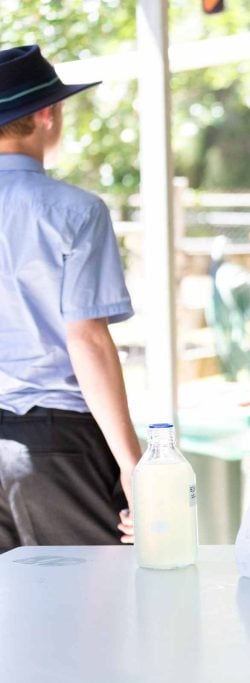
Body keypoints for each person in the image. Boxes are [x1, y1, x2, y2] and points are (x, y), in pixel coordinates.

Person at [0, 45, 139, 551]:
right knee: (93, 615)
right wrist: (133, 466)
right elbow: (87, 340)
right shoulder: (76, 212)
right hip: (57, 447)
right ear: (46, 113)